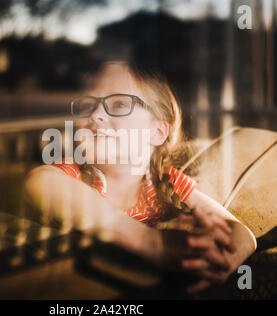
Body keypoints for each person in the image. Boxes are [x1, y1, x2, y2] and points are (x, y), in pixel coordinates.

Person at [24, 61, 257, 294]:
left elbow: (242, 232)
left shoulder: (166, 183)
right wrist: (155, 244)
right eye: (88, 104)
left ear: (157, 131)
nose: (95, 115)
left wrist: (220, 260)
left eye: (118, 104)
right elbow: (39, 182)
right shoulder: (75, 173)